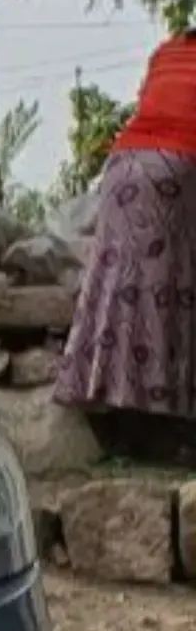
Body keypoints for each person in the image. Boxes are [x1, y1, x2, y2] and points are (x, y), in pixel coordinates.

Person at [55, 32, 196, 464]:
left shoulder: (167, 51)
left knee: (121, 284)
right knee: (173, 287)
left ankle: (117, 417)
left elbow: (151, 103)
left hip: (123, 165)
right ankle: (171, 426)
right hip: (176, 166)